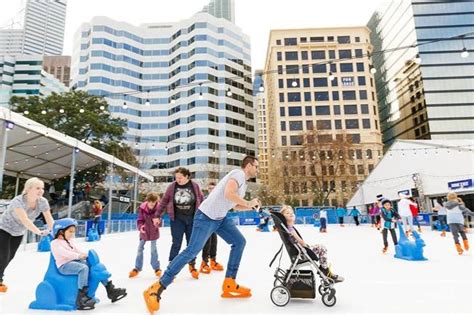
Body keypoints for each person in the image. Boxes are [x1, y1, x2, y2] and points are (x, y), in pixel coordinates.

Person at [143, 156, 261, 313]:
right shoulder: (238, 174)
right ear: (248, 165)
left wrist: (250, 207)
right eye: (256, 166)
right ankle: (156, 287)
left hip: (220, 218)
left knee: (239, 242)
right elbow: (228, 193)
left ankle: (229, 283)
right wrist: (248, 202)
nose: (257, 169)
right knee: (191, 251)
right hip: (205, 217)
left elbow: (233, 204)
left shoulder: (243, 184)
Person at [51, 218, 127, 310]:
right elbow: (65, 253)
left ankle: (110, 289)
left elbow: (76, 250)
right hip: (64, 266)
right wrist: (78, 256)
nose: (72, 234)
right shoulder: (55, 243)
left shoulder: (69, 241)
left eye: (73, 232)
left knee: (95, 266)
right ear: (60, 232)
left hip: (74, 261)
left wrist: (85, 255)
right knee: (83, 268)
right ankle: (82, 297)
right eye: (70, 231)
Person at [0, 177, 54, 293]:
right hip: (3, 228)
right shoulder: (18, 201)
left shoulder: (42, 201)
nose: (41, 191)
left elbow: (49, 218)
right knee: (3, 256)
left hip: (19, 231)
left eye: (42, 188)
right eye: (37, 188)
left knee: (10, 256)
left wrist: (56, 230)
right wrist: (38, 232)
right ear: (28, 189)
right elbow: (24, 219)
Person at [156, 167, 204, 279]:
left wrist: (203, 215)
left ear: (187, 176)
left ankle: (192, 265)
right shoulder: (172, 187)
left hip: (192, 219)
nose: (177, 179)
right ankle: (171, 268)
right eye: (176, 177)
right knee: (176, 243)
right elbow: (163, 201)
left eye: (180, 177)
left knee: (191, 244)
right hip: (177, 219)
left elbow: (201, 200)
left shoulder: (195, 186)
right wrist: (157, 215)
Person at [280, 205, 344, 282]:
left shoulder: (288, 227)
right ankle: (325, 270)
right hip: (301, 253)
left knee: (321, 247)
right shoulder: (290, 229)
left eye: (292, 213)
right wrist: (306, 246)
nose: (291, 214)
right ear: (283, 216)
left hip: (300, 250)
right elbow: (300, 241)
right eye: (287, 213)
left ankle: (324, 268)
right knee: (322, 248)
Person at [129, 192, 162, 278]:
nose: (151, 204)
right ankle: (137, 268)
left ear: (156, 202)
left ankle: (156, 268)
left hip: (154, 232)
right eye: (150, 202)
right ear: (147, 201)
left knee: (153, 250)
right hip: (144, 232)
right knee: (140, 249)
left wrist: (157, 223)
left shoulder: (158, 209)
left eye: (153, 202)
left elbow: (160, 222)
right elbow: (140, 220)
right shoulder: (142, 208)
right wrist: (141, 227)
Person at [200, 183, 224, 274]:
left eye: (214, 188)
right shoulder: (205, 199)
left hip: (214, 223)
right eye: (210, 188)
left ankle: (213, 260)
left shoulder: (219, 199)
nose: (212, 190)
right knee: (207, 243)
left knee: (214, 242)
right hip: (206, 223)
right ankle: (204, 263)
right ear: (208, 189)